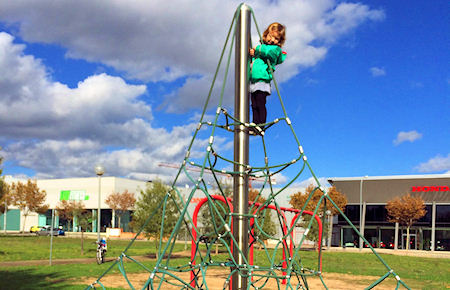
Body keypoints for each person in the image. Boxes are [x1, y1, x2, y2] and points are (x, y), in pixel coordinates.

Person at [249, 22, 286, 135]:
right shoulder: (261, 51)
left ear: (279, 42)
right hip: (253, 81)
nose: (272, 40)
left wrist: (258, 49)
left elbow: (269, 52)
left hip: (263, 80)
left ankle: (261, 124)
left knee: (260, 103)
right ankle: (255, 124)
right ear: (266, 35)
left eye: (276, 38)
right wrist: (253, 54)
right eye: (271, 36)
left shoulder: (275, 50)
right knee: (253, 104)